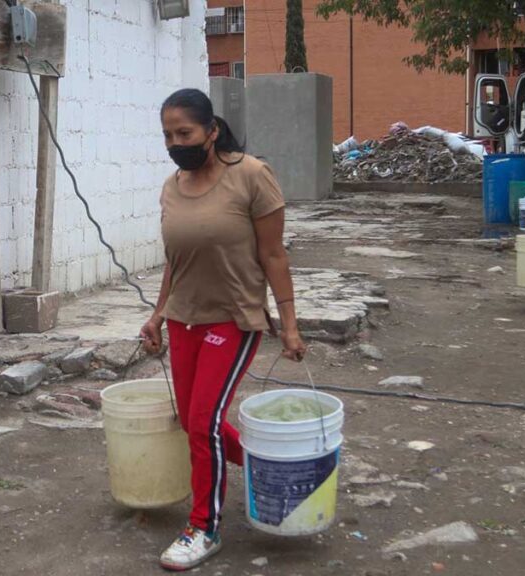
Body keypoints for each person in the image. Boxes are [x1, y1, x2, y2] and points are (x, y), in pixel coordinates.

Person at [139, 88, 306, 571]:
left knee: (203, 423)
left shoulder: (251, 175)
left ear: (211, 131)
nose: (175, 143)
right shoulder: (171, 186)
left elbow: (274, 255)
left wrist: (290, 325)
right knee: (196, 422)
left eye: (184, 133)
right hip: (183, 318)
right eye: (168, 135)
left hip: (234, 318)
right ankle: (270, 468)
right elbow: (176, 261)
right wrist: (158, 315)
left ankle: (204, 527)